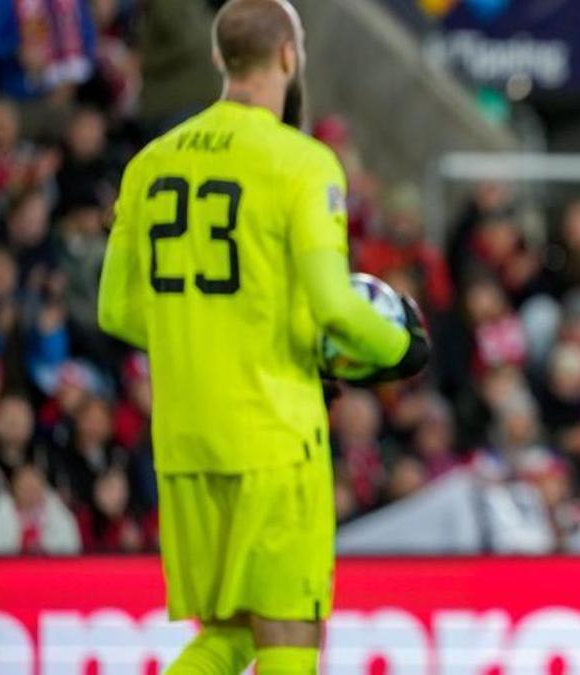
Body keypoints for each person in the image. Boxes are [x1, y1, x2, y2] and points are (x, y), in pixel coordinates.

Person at [95, 1, 429, 673]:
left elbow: (117, 311)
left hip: (186, 442)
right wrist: (402, 348)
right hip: (273, 436)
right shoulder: (301, 164)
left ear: (220, 59)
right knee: (289, 636)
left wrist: (209, 336)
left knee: (229, 631)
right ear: (287, 57)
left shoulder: (149, 163)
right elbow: (335, 307)